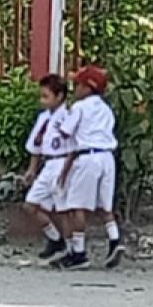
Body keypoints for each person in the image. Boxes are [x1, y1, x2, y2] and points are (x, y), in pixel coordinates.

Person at [55, 65, 124, 270]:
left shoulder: (79, 108)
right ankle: (114, 240)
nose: (74, 89)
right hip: (107, 158)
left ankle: (79, 253)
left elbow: (66, 132)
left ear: (87, 88)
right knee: (105, 207)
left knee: (77, 206)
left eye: (77, 84)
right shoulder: (106, 109)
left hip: (87, 158)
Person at [20, 74, 71, 263]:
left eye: (46, 96)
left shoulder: (68, 117)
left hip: (62, 162)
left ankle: (72, 248)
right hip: (48, 164)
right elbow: (36, 145)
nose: (42, 100)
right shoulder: (43, 118)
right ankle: (54, 238)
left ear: (59, 97)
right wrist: (32, 169)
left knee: (63, 209)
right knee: (30, 205)